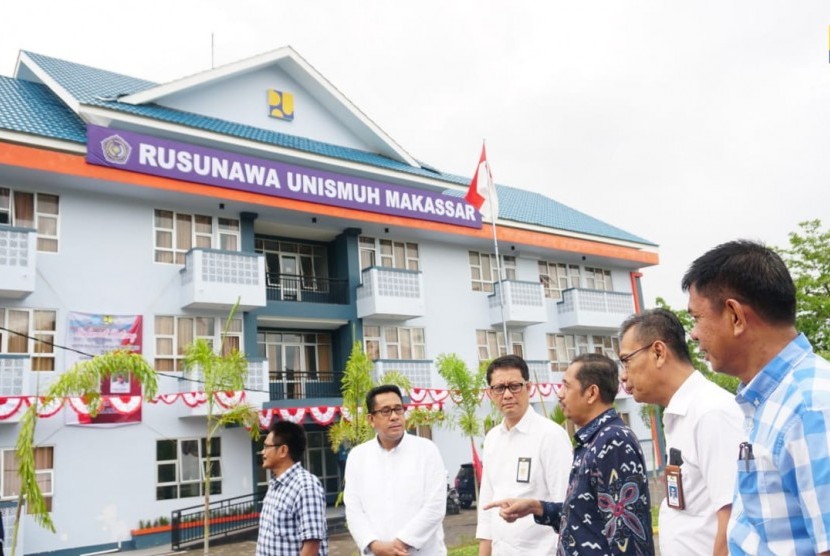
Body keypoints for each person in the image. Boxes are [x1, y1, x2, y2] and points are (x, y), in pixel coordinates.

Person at [682, 240, 830, 555]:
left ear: (735, 315)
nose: (693, 334)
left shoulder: (811, 407)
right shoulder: (765, 402)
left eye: (696, 318)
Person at [483, 353, 654, 555]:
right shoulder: (592, 440)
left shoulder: (613, 440)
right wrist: (536, 508)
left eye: (566, 386)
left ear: (591, 393)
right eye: (499, 388)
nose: (560, 394)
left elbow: (626, 534)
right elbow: (579, 514)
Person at [618, 308, 743, 556]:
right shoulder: (679, 414)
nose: (623, 376)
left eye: (626, 360)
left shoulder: (710, 413)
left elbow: (733, 522)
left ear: (658, 352)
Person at [476, 354, 572, 555]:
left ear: (529, 388)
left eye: (514, 386)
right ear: (490, 393)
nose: (507, 394)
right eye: (499, 388)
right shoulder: (493, 438)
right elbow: (486, 506)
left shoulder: (551, 435)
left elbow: (566, 506)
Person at [344, 384, 447, 555]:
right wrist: (375, 546)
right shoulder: (357, 457)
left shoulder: (427, 450)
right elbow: (354, 510)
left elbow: (435, 507)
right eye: (385, 411)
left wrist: (399, 544)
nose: (394, 417)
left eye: (398, 409)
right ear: (371, 419)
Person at [256, 420, 328, 556]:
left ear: (283, 450)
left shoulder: (306, 486)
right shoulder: (275, 485)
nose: (262, 452)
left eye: (266, 446)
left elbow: (312, 544)